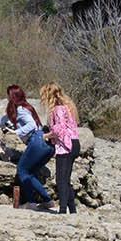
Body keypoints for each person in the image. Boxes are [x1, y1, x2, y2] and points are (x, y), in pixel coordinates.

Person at [0, 84, 52, 210]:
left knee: (22, 170)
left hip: (36, 141)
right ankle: (47, 200)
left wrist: (16, 132)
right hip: (47, 145)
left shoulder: (21, 109)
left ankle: (31, 202)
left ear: (13, 96)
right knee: (30, 173)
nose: (7, 98)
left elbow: (31, 125)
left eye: (9, 96)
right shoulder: (24, 107)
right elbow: (5, 119)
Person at [40, 82, 82, 215]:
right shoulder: (69, 107)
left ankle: (63, 210)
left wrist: (46, 136)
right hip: (75, 143)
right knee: (66, 179)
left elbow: (58, 130)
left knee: (61, 180)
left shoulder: (58, 110)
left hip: (66, 146)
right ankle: (72, 210)